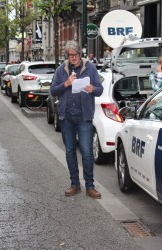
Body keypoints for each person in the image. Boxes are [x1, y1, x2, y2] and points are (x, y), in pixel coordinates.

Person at [51, 40, 103, 199]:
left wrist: (92, 89)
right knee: (69, 151)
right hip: (66, 116)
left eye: (75, 55)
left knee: (87, 152)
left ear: (80, 54)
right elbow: (53, 90)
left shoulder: (90, 68)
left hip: (84, 116)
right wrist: (66, 83)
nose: (73, 58)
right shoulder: (62, 70)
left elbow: (100, 90)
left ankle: (90, 186)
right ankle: (75, 184)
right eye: (70, 55)